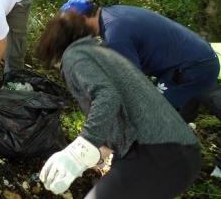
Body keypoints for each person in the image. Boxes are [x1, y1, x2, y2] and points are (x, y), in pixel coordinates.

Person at [34, 12, 201, 198]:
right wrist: (98, 152)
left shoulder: (74, 56)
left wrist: (78, 151)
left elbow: (107, 96)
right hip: (177, 153)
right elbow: (122, 110)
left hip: (157, 152)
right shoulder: (104, 54)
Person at [60, 0, 221, 174]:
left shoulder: (116, 34)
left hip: (191, 68)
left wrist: (105, 146)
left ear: (83, 20)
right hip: (194, 60)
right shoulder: (111, 15)